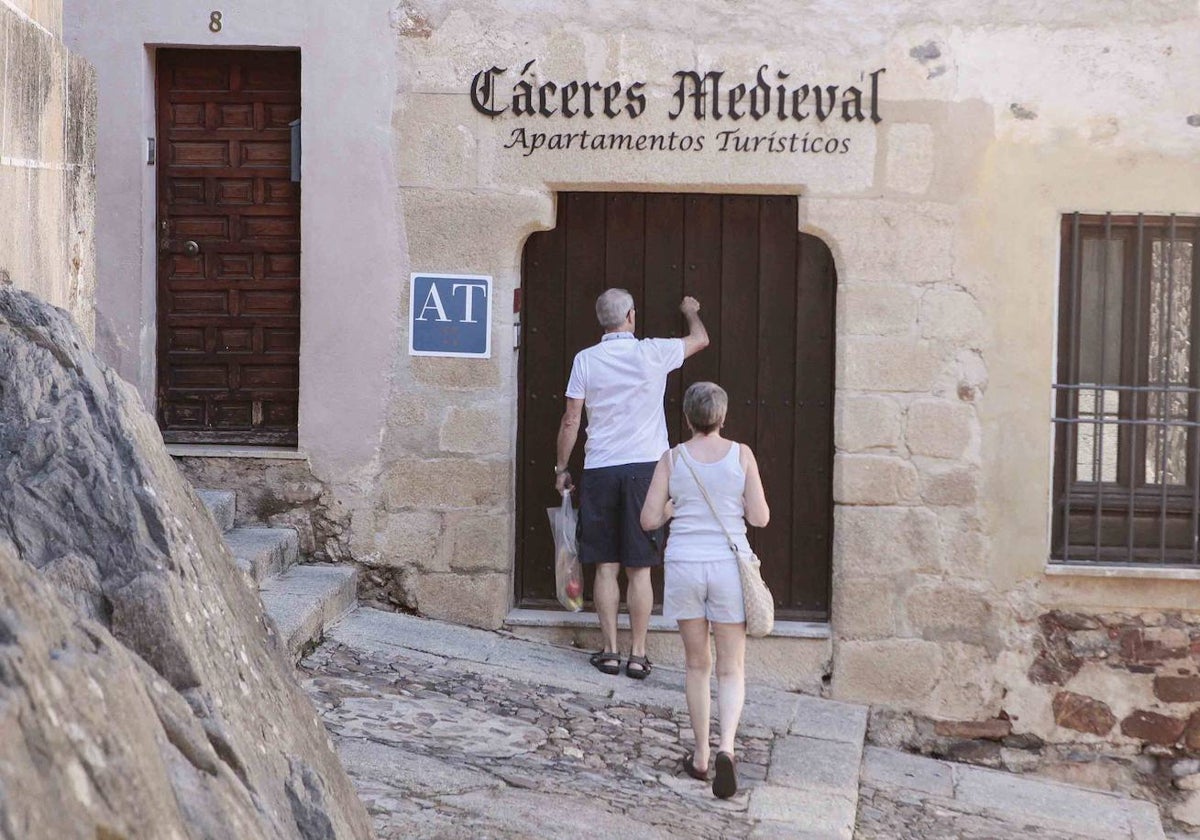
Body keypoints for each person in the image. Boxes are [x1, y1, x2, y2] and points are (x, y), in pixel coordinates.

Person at [554, 288, 708, 680]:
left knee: (606, 565)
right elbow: (700, 340)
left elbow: (572, 419)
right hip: (646, 471)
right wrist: (690, 312)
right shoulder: (652, 352)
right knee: (640, 568)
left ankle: (609, 651)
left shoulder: (585, 360)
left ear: (601, 320)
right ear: (631, 317)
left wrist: (561, 467)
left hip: (602, 468)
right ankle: (638, 654)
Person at [639, 381, 769, 799]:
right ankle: (727, 748)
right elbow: (761, 517)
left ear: (688, 417)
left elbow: (647, 519)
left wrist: (672, 509)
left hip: (685, 565)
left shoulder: (672, 459)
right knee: (732, 667)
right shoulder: (742, 455)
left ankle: (699, 756)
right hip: (729, 566)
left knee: (698, 665)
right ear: (723, 417)